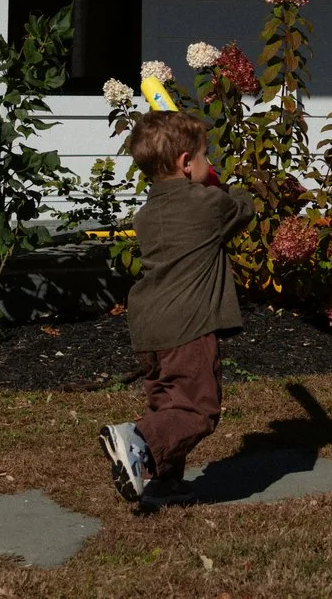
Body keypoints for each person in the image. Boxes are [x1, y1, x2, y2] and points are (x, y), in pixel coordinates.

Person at [99, 110, 255, 507]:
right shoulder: (207, 205)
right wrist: (227, 187)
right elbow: (244, 209)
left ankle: (165, 482)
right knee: (197, 409)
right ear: (187, 164)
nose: (210, 163)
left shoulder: (147, 213)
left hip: (149, 326)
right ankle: (137, 439)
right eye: (206, 155)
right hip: (189, 324)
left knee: (166, 403)